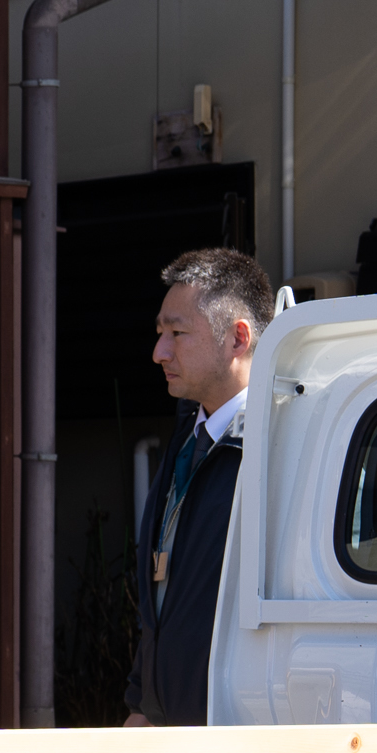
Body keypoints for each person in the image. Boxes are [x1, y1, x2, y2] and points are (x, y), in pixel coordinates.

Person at [126, 248, 273, 727]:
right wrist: (141, 703)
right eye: (159, 333)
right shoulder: (188, 435)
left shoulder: (280, 447)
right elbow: (165, 598)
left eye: (177, 333)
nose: (159, 352)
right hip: (168, 732)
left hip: (235, 737)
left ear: (237, 338)